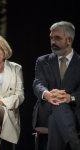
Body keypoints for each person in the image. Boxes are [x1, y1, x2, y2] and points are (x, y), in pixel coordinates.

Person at [32, 21, 80, 150]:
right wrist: (47, 94)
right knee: (57, 107)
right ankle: (76, 144)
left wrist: (70, 97)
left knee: (55, 119)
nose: (52, 41)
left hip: (74, 111)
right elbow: (38, 83)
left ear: (69, 40)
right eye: (51, 38)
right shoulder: (42, 61)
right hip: (46, 109)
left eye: (57, 38)